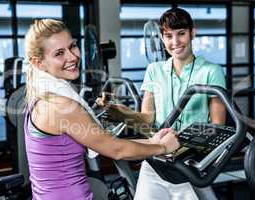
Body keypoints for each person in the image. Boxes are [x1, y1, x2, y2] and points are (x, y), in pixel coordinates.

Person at [23, 18, 180, 200]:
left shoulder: (39, 96)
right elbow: (116, 150)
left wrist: (153, 141)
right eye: (59, 53)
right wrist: (162, 147)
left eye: (72, 46)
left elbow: (103, 142)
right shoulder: (61, 105)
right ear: (38, 63)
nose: (72, 57)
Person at [96, 7, 226, 200]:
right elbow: (147, 119)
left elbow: (217, 126)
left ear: (193, 32)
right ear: (162, 38)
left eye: (181, 33)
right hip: (156, 157)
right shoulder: (154, 70)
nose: (175, 42)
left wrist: (186, 143)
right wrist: (117, 111)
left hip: (190, 162)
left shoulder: (211, 71)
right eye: (168, 36)